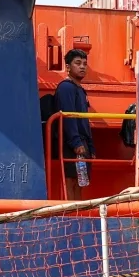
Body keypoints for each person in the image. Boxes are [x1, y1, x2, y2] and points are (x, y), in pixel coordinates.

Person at [55, 49, 95, 201]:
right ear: (68, 67)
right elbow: (68, 116)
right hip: (71, 143)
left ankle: (79, 212)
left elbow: (84, 120)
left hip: (82, 142)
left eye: (84, 63)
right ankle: (72, 212)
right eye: (78, 63)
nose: (82, 66)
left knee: (80, 182)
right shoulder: (66, 88)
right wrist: (76, 142)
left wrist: (90, 146)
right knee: (71, 180)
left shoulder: (80, 90)